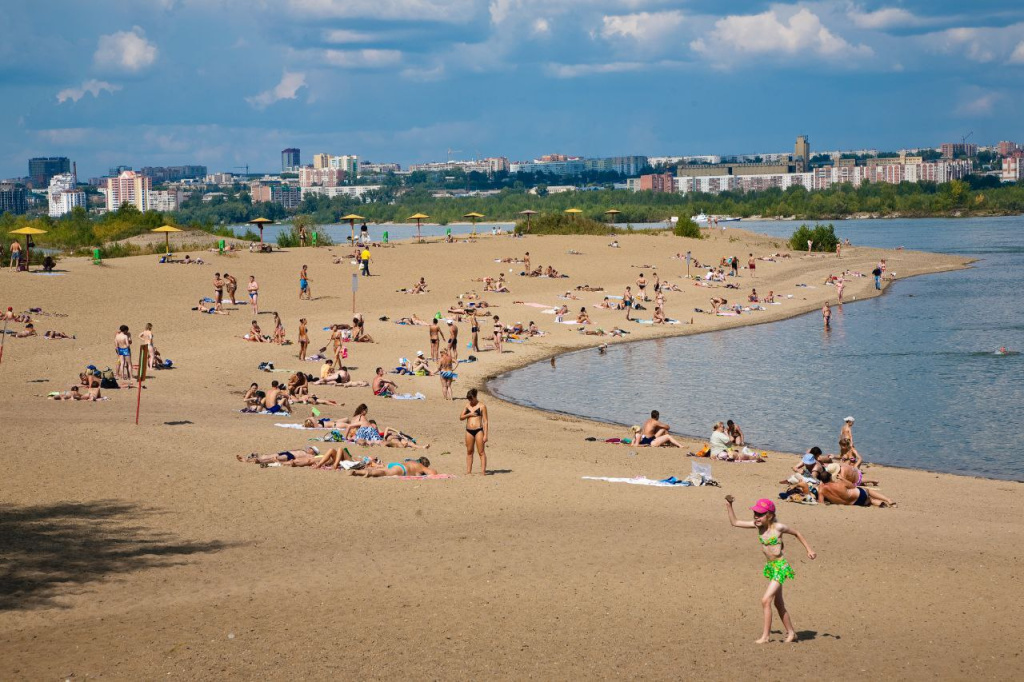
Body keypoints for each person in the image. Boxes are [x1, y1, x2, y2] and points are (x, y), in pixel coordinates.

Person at [724, 496, 816, 644]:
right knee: (778, 604)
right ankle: (791, 633)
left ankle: (765, 637)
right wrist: (729, 506)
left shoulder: (778, 527)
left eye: (760, 514)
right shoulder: (757, 526)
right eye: (755, 513)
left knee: (765, 600)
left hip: (780, 567)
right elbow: (735, 522)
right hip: (771, 568)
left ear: (770, 516)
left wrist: (809, 550)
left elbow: (797, 533)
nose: (756, 517)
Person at [818, 474, 896, 507]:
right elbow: (853, 486)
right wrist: (843, 478)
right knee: (867, 491)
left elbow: (821, 503)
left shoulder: (821, 490)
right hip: (859, 495)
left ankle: (880, 504)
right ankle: (888, 500)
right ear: (830, 477)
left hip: (854, 503)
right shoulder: (839, 483)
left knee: (871, 500)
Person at [460, 388, 488, 474]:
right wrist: (469, 414)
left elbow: (485, 421)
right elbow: (461, 417)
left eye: (471, 399)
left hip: (479, 430)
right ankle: (468, 471)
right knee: (469, 451)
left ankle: (483, 472)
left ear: (475, 397)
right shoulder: (467, 405)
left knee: (481, 452)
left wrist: (485, 435)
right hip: (469, 431)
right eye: (469, 399)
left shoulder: (482, 406)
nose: (470, 401)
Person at [351, 456, 437, 477]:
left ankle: (363, 469)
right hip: (402, 469)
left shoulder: (412, 462)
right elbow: (433, 473)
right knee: (384, 473)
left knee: (380, 468)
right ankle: (359, 472)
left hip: (395, 464)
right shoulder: (421, 466)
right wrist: (425, 471)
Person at [237, 446, 321, 467]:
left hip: (290, 456)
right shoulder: (304, 450)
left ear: (313, 451)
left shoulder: (310, 455)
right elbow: (294, 449)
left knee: (272, 459)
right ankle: (248, 459)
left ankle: (248, 461)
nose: (309, 448)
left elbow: (305, 460)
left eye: (310, 448)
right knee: (267, 456)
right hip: (287, 453)